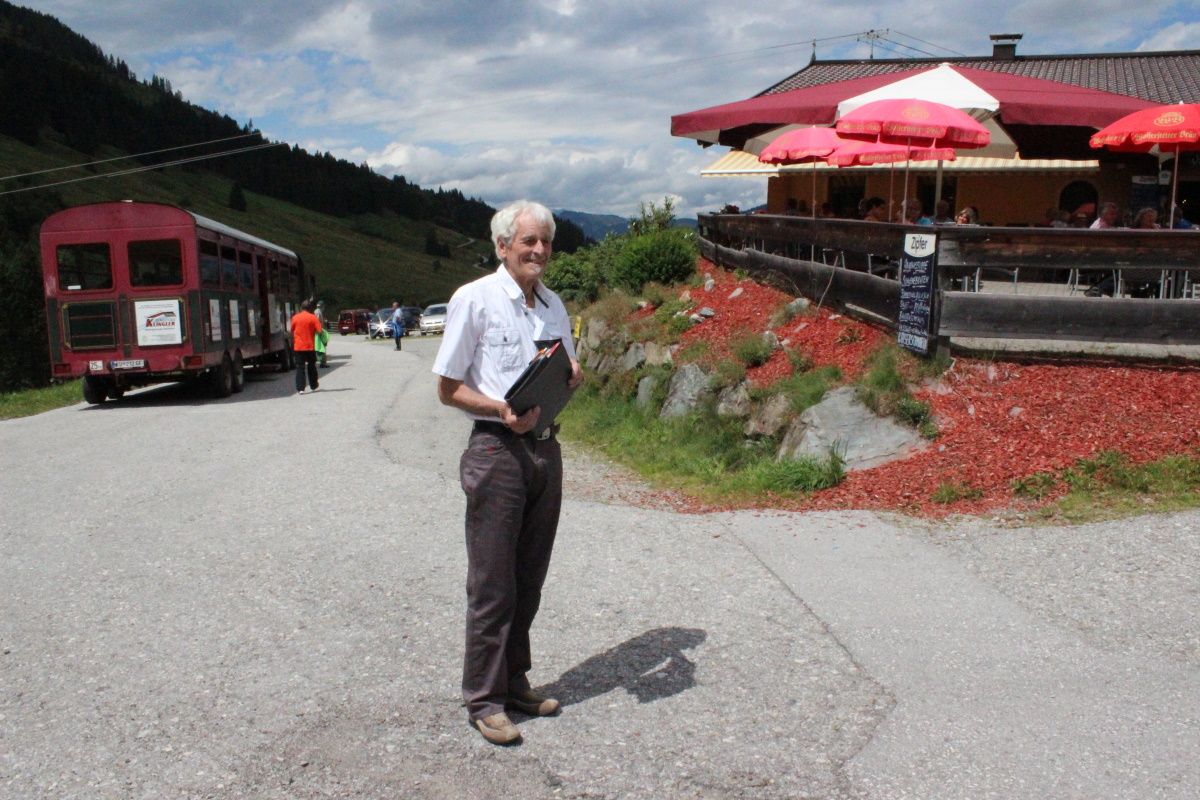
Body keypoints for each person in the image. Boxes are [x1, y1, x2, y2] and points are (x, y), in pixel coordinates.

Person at [432, 200, 583, 746]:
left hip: (545, 451)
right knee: (493, 583)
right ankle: (484, 699)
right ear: (502, 246)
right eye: (528, 241)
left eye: (546, 241)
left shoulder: (553, 304)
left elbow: (561, 366)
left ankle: (514, 682)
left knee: (529, 578)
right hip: (496, 451)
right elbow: (447, 388)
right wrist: (500, 409)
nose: (539, 250)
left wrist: (571, 375)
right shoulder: (474, 299)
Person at [289, 299, 322, 394]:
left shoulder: (295, 318)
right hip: (310, 346)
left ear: (301, 308)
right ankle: (313, 385)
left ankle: (300, 388)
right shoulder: (313, 318)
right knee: (311, 366)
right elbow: (319, 331)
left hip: (298, 347)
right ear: (310, 308)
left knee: (300, 367)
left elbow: (291, 330)